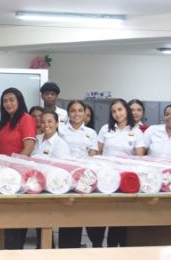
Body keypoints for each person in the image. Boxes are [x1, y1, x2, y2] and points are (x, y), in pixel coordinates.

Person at [92, 98, 144, 248]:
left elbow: (139, 157)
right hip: (106, 177)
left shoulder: (136, 131)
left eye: (120, 110)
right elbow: (97, 152)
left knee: (119, 216)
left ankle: (114, 248)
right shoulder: (105, 129)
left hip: (126, 180)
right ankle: (97, 246)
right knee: (102, 215)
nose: (117, 114)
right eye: (114, 111)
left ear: (126, 110)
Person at [0, 88, 37, 250]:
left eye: (11, 100)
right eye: (5, 101)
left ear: (19, 101)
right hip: (2, 176)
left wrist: (14, 168)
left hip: (17, 176)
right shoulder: (5, 122)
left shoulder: (26, 119)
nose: (8, 103)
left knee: (15, 225)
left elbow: (28, 147)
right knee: (5, 224)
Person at [56, 101, 99, 249]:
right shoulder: (60, 130)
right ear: (68, 114)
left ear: (84, 113)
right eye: (73, 111)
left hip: (84, 179)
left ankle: (77, 249)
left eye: (80, 110)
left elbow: (93, 156)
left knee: (81, 214)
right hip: (65, 178)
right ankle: (65, 250)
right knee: (67, 216)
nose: (76, 114)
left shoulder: (91, 133)